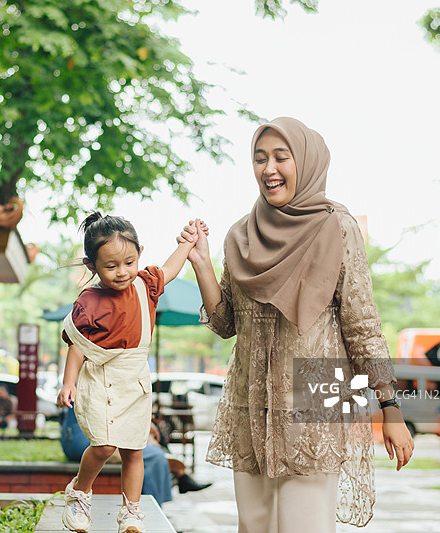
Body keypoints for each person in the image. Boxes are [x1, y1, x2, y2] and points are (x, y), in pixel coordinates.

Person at [178, 117, 414, 533]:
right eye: (259, 158)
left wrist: (390, 407)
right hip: (252, 399)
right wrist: (201, 263)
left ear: (305, 161)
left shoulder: (335, 227)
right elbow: (227, 322)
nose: (269, 169)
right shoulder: (240, 235)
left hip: (315, 394)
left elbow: (361, 323)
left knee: (305, 524)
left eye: (280, 157)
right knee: (255, 526)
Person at [56, 211, 206, 533]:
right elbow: (78, 346)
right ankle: (80, 491)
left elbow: (170, 269)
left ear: (140, 253)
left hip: (135, 381)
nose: (122, 272)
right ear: (92, 266)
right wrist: (68, 383)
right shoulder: (89, 301)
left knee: (134, 450)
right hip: (101, 379)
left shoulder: (145, 285)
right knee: (104, 446)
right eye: (111, 266)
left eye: (129, 262)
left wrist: (187, 242)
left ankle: (131, 512)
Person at [58, 406, 211, 508]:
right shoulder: (95, 377)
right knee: (155, 456)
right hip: (87, 439)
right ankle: (153, 508)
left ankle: (177, 477)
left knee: (149, 452)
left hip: (95, 435)